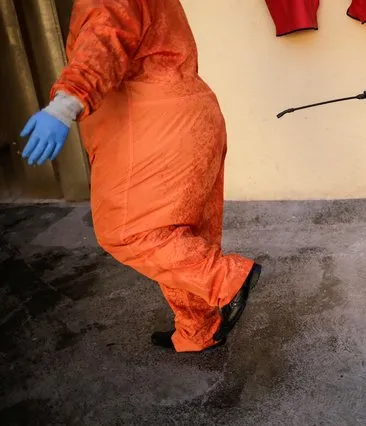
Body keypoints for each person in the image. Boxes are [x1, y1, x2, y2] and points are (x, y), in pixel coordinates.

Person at [19, 0, 261, 353]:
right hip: (193, 113)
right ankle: (199, 329)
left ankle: (227, 280)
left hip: (151, 121)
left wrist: (64, 105)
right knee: (183, 234)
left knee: (128, 230)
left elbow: (103, 42)